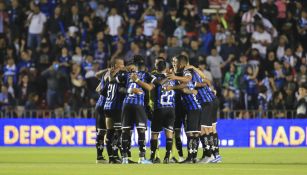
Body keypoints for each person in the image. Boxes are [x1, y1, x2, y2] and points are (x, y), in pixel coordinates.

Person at [116, 59, 155, 164]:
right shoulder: (145, 74)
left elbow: (117, 85)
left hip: (127, 105)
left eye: (130, 67)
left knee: (126, 131)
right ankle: (141, 158)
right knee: (140, 130)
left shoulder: (125, 75)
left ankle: (125, 158)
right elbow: (154, 83)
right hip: (138, 105)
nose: (130, 69)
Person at [166, 55, 201, 163]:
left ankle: (191, 157)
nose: (173, 64)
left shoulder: (186, 72)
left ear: (181, 64)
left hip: (189, 107)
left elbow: (187, 82)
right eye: (172, 61)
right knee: (188, 133)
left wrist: (173, 85)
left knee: (190, 132)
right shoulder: (173, 73)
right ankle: (188, 156)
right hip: (182, 107)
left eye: (175, 62)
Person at [150, 59, 176, 164]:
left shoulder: (154, 77)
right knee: (169, 133)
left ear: (156, 67)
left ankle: (153, 157)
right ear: (165, 67)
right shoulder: (173, 78)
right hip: (171, 108)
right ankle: (167, 157)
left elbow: (154, 88)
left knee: (155, 134)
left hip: (159, 108)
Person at [103, 58, 126, 163]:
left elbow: (102, 92)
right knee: (119, 132)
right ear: (116, 65)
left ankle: (111, 158)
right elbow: (122, 90)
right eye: (122, 64)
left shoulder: (109, 77)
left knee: (109, 132)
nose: (124, 66)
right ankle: (115, 156)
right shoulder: (121, 77)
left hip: (107, 106)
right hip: (116, 107)